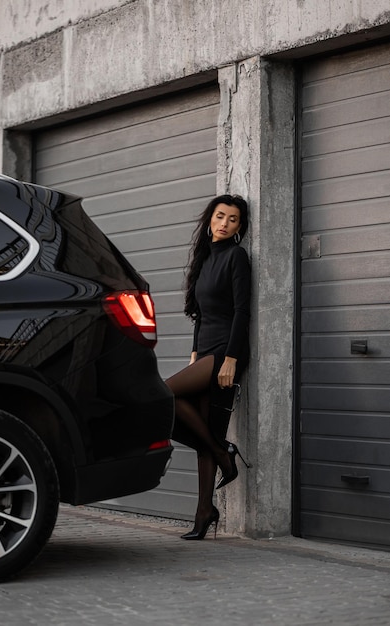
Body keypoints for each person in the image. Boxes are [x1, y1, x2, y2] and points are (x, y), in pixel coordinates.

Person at [166, 194, 251, 540]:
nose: (225, 223)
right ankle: (205, 510)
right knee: (205, 432)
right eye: (220, 216)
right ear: (210, 220)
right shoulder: (203, 261)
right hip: (205, 354)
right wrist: (194, 352)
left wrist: (230, 358)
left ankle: (222, 453)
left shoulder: (237, 257)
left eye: (233, 219)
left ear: (239, 227)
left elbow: (242, 312)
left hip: (226, 354)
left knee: (163, 393)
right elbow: (201, 315)